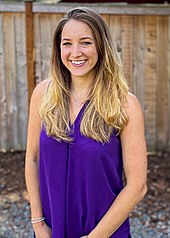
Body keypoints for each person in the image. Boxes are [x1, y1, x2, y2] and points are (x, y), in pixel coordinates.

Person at [25, 7, 147, 238]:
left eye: (85, 42)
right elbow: (32, 159)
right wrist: (38, 224)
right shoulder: (43, 94)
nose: (75, 52)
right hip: (51, 232)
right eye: (67, 43)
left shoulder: (124, 105)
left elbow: (137, 186)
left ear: (101, 46)